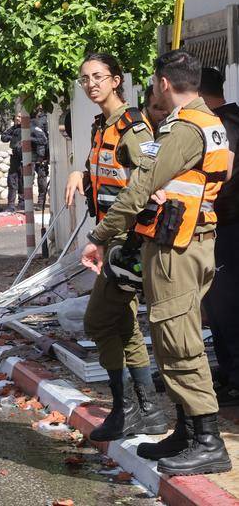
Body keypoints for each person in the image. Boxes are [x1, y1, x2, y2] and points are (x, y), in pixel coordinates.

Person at [81, 50, 232, 476]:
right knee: (170, 338)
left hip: (177, 248)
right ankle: (186, 432)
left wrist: (97, 238)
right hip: (182, 242)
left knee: (180, 344)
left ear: (163, 83)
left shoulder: (184, 128)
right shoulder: (208, 123)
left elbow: (141, 186)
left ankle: (207, 441)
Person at [64, 53, 165, 442]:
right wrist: (77, 170)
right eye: (85, 78)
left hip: (128, 240)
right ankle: (148, 412)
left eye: (99, 77)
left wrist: (115, 241)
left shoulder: (133, 127)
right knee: (123, 324)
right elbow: (101, 170)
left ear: (116, 80)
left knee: (99, 321)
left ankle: (127, 410)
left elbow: (147, 185)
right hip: (112, 236)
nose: (91, 84)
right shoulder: (102, 125)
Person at [198, 67, 239, 406]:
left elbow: (220, 174)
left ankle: (236, 376)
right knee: (216, 304)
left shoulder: (225, 124)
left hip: (228, 225)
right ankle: (227, 373)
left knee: (225, 306)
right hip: (222, 224)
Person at [0, 113, 48, 212]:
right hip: (15, 159)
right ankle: (11, 205)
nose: (17, 119)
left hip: (29, 159)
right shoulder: (14, 128)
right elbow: (3, 137)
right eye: (16, 117)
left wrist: (28, 139)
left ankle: (25, 203)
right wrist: (13, 138)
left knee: (26, 182)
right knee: (12, 181)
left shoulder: (33, 128)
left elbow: (43, 140)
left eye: (20, 117)